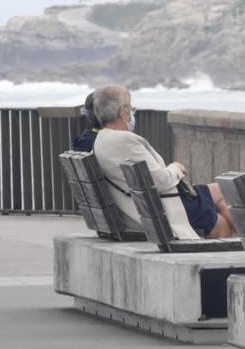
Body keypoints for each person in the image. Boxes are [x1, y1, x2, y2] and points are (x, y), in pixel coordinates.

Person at [91, 85, 235, 239]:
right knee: (222, 223)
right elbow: (162, 180)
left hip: (150, 205)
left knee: (220, 190)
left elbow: (151, 178)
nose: (132, 112)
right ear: (123, 112)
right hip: (162, 209)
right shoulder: (124, 140)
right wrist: (176, 168)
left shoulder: (102, 140)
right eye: (131, 108)